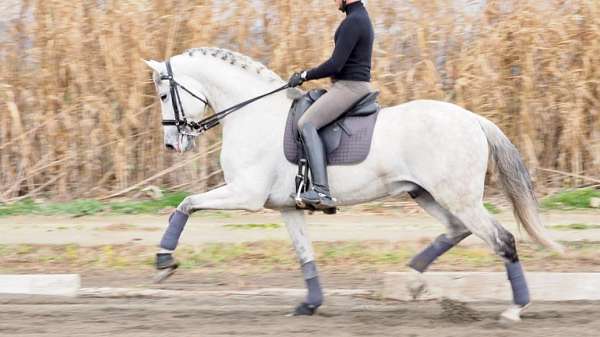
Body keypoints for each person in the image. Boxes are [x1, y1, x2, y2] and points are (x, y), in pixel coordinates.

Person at [288, 0, 374, 210]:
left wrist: (305, 75)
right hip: (349, 85)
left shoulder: (354, 21)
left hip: (350, 87)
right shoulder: (358, 18)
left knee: (306, 123)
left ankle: (321, 190)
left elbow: (336, 64)